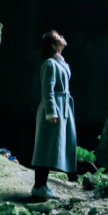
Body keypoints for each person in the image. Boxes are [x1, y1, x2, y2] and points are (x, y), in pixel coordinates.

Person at [30, 30, 77, 199]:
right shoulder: (49, 64)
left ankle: (42, 185)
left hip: (61, 108)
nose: (63, 37)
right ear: (52, 44)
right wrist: (51, 112)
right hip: (53, 109)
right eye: (59, 37)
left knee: (51, 147)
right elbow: (47, 90)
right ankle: (39, 186)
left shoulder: (61, 63)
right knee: (45, 146)